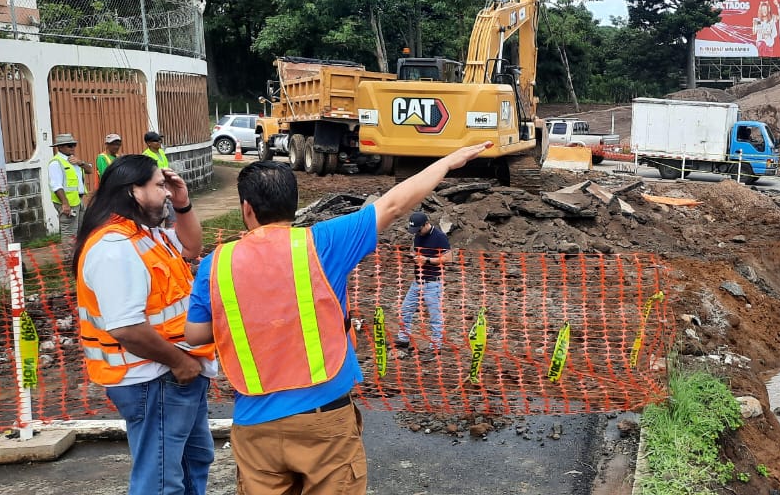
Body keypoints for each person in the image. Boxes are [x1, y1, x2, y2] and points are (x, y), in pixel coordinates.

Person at [184, 141, 491, 494]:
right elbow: (393, 203)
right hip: (325, 419)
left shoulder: (216, 264)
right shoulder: (323, 242)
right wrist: (448, 161)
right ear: (294, 204)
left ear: (246, 208)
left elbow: (195, 335)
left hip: (255, 424)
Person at [71, 154, 216, 495]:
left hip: (173, 375)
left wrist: (182, 203)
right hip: (155, 378)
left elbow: (192, 247)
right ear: (134, 191)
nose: (167, 192)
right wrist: (181, 363)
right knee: (161, 480)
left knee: (193, 461)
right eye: (159, 185)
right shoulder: (114, 247)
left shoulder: (146, 235)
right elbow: (126, 328)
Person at [395, 211, 450, 353]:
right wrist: (414, 256)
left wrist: (426, 260)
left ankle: (436, 347)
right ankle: (403, 340)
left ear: (426, 224)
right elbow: (415, 250)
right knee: (405, 310)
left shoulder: (440, 237)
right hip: (417, 281)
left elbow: (448, 258)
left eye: (418, 229)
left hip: (433, 283)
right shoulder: (418, 236)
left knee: (434, 316)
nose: (417, 233)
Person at [48, 133, 92, 239]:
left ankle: (78, 255)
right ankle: (69, 256)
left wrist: (80, 162)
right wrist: (65, 203)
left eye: (73, 145)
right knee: (70, 233)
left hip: (78, 200)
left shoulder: (74, 160)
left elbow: (89, 170)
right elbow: (56, 185)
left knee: (81, 231)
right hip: (68, 203)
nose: (72, 148)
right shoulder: (56, 163)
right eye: (69, 145)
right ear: (60, 147)